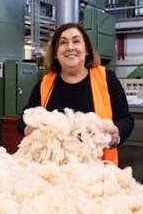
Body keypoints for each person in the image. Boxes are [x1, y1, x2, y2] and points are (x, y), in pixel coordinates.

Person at [17, 23, 134, 165]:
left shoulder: (106, 79)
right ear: (55, 52)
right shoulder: (45, 83)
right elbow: (22, 119)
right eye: (63, 42)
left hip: (98, 174)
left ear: (87, 50)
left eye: (76, 41)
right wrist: (28, 129)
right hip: (52, 173)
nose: (70, 47)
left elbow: (126, 119)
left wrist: (117, 133)